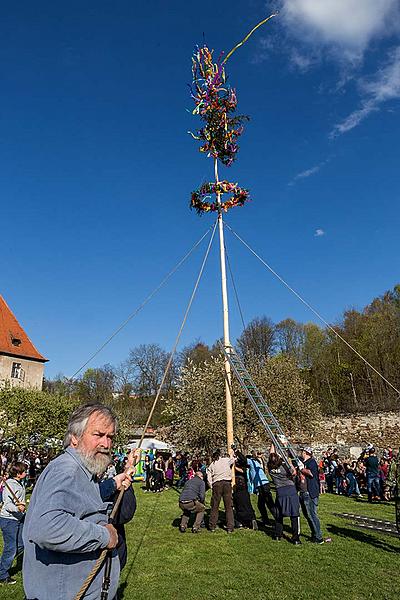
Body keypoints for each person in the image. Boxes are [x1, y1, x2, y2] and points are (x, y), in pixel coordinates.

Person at [22, 403, 131, 600]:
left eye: (110, 437)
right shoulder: (66, 470)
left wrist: (115, 482)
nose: (106, 445)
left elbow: (81, 502)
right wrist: (104, 536)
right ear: (74, 437)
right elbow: (47, 528)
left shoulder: (82, 472)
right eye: (98, 435)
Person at [267, 446, 300, 545]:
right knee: (294, 514)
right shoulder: (284, 467)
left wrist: (273, 441)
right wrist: (289, 463)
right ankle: (296, 538)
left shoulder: (270, 467)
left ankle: (278, 534)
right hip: (290, 490)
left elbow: (271, 455)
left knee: (279, 514)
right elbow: (293, 472)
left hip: (280, 491)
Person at [0, 462, 27, 585]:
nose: (26, 473)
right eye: (24, 471)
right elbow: (7, 505)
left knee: (21, 544)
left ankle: (3, 565)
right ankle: (2, 574)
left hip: (18, 519)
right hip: (9, 520)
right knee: (10, 548)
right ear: (18, 473)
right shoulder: (10, 485)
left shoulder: (19, 484)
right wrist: (18, 508)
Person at [299, 447, 324, 544]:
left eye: (302, 452)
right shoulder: (303, 461)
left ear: (305, 453)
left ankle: (318, 537)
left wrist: (302, 468)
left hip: (310, 492)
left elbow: (310, 474)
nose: (301, 453)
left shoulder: (311, 462)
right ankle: (314, 534)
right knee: (307, 514)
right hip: (304, 491)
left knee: (312, 514)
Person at [207, 449, 234, 533]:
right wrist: (232, 452)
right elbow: (233, 459)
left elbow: (209, 478)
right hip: (227, 483)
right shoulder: (226, 460)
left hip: (217, 484)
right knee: (228, 506)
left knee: (215, 505)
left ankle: (212, 526)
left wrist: (212, 485)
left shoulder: (211, 465)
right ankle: (230, 527)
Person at [247, 450, 275, 525]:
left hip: (263, 484)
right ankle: (266, 520)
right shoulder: (258, 461)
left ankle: (277, 518)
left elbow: (243, 459)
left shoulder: (253, 461)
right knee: (261, 504)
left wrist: (236, 452)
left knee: (269, 503)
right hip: (262, 484)